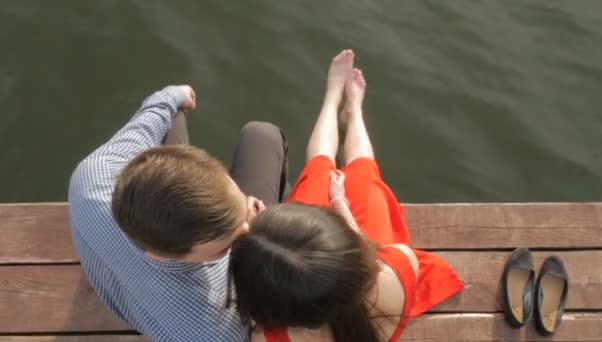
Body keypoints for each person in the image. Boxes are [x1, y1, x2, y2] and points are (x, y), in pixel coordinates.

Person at [229, 50, 465, 342]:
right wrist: (342, 205)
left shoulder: (269, 337)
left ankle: (333, 98)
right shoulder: (398, 271)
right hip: (371, 281)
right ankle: (353, 110)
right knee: (364, 175)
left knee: (319, 169)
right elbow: (372, 254)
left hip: (331, 280)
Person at [68, 85, 289, 341]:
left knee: (172, 114)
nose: (247, 226)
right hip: (170, 309)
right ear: (160, 256)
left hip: (122, 276)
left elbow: (151, 115)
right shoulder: (218, 325)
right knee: (263, 135)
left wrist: (175, 94)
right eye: (226, 245)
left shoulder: (93, 173)